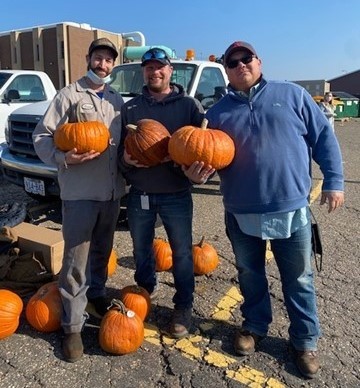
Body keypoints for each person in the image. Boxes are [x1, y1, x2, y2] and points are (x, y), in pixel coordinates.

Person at [205, 41, 344, 379]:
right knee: (250, 274)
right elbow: (208, 156)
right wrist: (198, 170)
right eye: (232, 62)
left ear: (259, 61)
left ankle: (305, 341)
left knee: (298, 278)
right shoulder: (216, 113)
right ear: (226, 69)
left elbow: (323, 137)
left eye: (246, 58)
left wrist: (334, 179)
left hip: (291, 208)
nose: (240, 65)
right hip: (241, 210)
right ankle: (255, 325)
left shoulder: (292, 95)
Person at [33, 38, 125, 362]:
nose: (103, 64)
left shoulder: (116, 100)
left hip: (112, 193)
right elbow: (41, 137)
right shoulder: (68, 95)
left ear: (113, 64)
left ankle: (97, 295)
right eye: (98, 58)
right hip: (80, 194)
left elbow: (125, 144)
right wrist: (64, 157)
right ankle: (72, 327)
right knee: (75, 262)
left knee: (101, 253)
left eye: (108, 60)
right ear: (88, 59)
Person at [119, 47, 214, 339]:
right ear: (143, 72)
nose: (154, 72)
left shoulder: (188, 106)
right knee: (140, 250)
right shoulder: (131, 108)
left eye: (160, 67)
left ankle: (183, 305)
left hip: (176, 193)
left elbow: (205, 147)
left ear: (170, 71)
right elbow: (121, 152)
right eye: (148, 68)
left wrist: (196, 173)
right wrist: (126, 161)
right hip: (140, 193)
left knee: (183, 253)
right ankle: (143, 293)